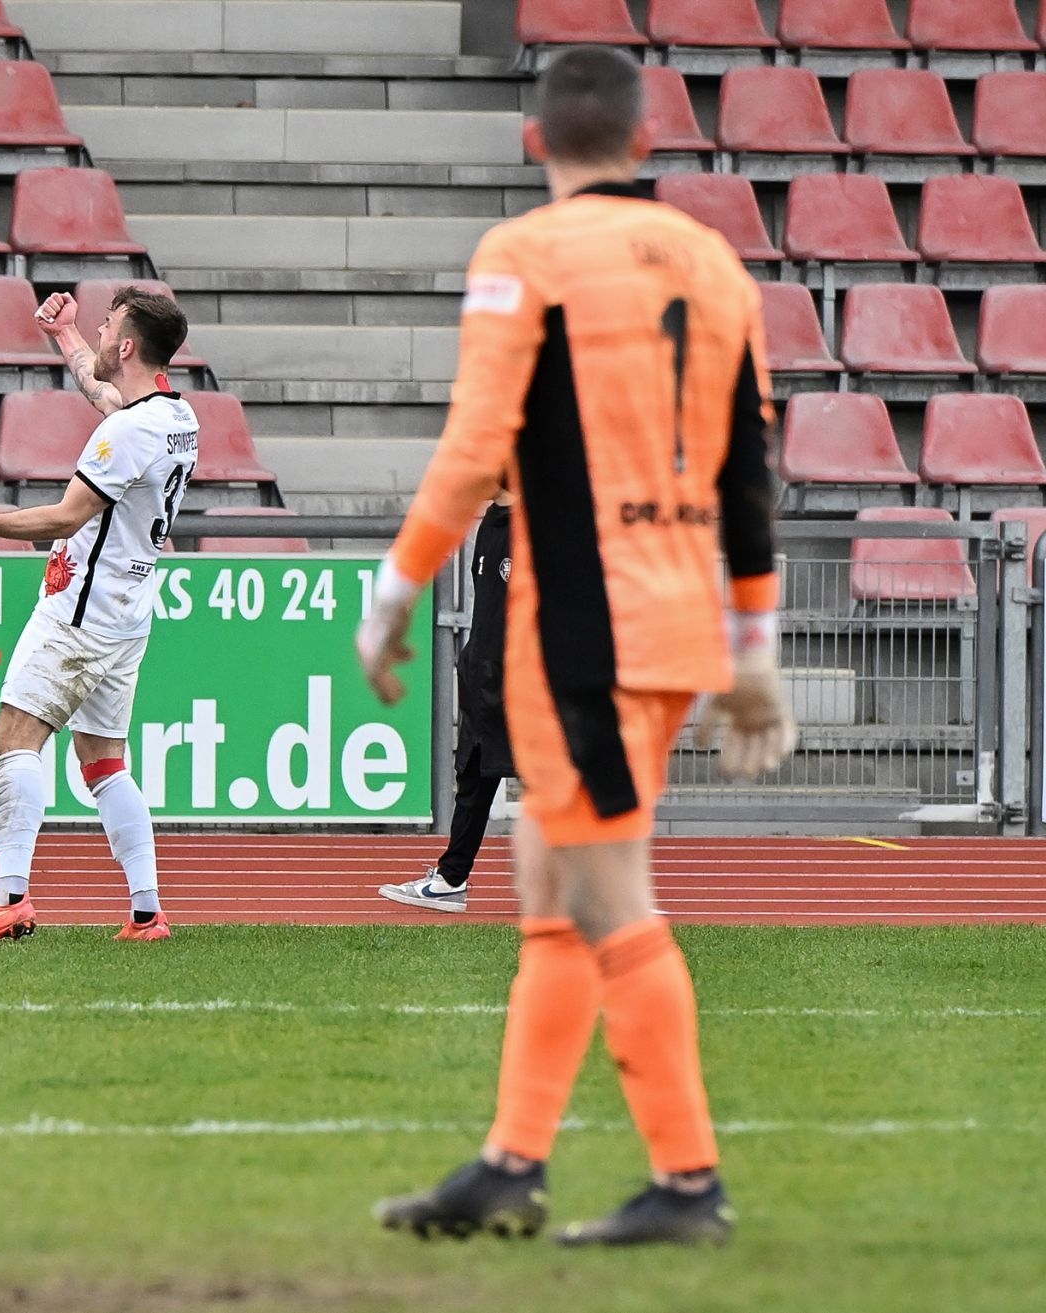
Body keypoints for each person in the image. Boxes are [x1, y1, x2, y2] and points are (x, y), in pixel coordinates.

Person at [355, 46, 796, 1247]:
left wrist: (393, 593)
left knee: (608, 899)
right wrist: (754, 642)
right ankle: (512, 1161)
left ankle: (689, 1181)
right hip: (672, 620)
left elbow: (476, 443)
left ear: (535, 142)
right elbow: (747, 470)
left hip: (584, 635)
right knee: (550, 894)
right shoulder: (714, 264)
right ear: (646, 143)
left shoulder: (527, 253)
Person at [0, 286, 197, 945]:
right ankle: (147, 912)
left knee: (12, 738)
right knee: (104, 761)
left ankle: (8, 898)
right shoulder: (176, 415)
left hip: (80, 611)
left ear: (127, 346)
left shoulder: (128, 430)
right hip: (128, 614)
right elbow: (104, 391)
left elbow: (64, 517)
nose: (99, 334)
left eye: (106, 326)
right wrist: (67, 335)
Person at [379, 486, 514, 914]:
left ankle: (606, 894)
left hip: (523, 681)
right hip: (485, 679)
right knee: (473, 779)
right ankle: (451, 879)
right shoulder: (489, 525)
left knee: (563, 786)